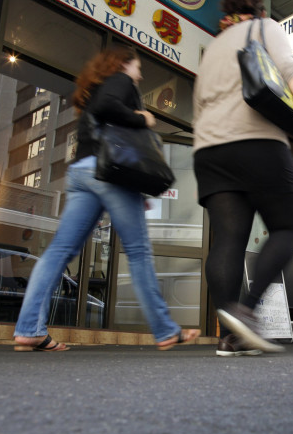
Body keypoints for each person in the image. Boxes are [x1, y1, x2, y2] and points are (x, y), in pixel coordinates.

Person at [13, 46, 198, 351]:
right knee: (138, 251)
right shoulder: (121, 80)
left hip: (83, 172)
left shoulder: (96, 87)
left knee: (58, 251)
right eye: (138, 67)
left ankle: (30, 329)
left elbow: (102, 113)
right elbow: (109, 107)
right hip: (107, 172)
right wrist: (142, 118)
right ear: (125, 64)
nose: (139, 74)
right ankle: (165, 329)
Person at [192, 0, 293, 353]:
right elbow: (290, 71)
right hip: (256, 142)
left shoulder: (211, 50)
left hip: (209, 151)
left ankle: (230, 334)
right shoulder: (265, 28)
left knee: (227, 239)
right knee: (289, 226)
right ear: (258, 9)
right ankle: (247, 311)